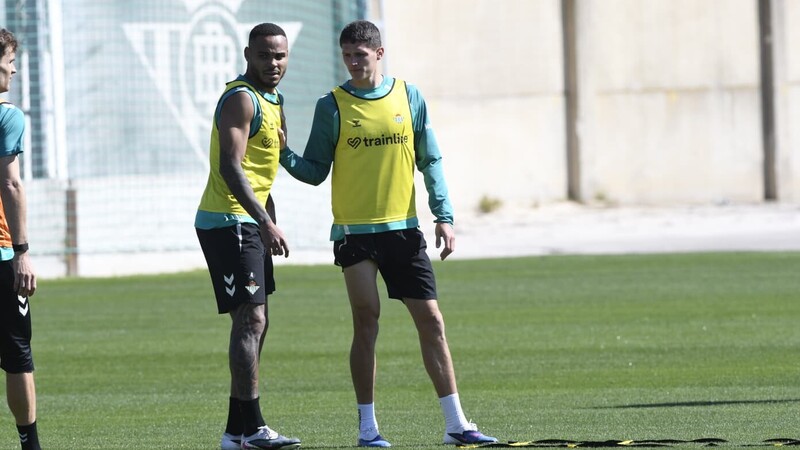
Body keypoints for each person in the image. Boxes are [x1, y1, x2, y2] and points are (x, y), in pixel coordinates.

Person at [279, 20, 498, 448]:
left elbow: (430, 160)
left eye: (360, 55)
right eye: (346, 55)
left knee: (432, 321)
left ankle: (456, 425)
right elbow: (315, 171)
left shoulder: (409, 96)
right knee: (367, 321)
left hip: (404, 231)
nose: (352, 62)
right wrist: (284, 153)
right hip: (355, 234)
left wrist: (444, 215)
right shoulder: (332, 105)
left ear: (379, 54)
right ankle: (368, 430)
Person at [195, 22, 300, 450]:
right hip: (229, 221)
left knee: (258, 321)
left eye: (279, 55)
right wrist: (265, 222)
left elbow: (262, 172)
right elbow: (231, 167)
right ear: (247, 55)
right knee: (251, 320)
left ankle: (236, 432)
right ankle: (254, 429)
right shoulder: (241, 98)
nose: (273, 63)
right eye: (264, 55)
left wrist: (267, 219)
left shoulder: (273, 101)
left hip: (249, 223)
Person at [0, 29, 40, 450]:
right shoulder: (7, 116)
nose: (13, 70)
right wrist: (22, 253)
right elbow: (11, 185)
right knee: (17, 355)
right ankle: (30, 445)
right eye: (9, 62)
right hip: (1, 254)